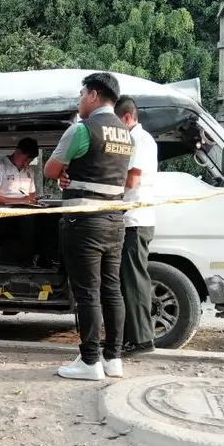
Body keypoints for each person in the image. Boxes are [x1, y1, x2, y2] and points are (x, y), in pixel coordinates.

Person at [43, 72, 133, 380]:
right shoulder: (125, 133)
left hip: (84, 223)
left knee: (87, 293)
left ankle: (90, 361)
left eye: (82, 94)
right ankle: (113, 358)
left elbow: (51, 168)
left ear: (94, 95)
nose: (80, 100)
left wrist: (65, 171)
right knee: (112, 290)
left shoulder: (82, 129)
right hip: (115, 220)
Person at [113, 95, 158, 354]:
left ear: (127, 118)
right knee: (127, 281)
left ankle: (142, 340)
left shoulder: (139, 140)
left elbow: (131, 181)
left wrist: (105, 186)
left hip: (135, 220)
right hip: (131, 219)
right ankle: (133, 337)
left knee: (134, 281)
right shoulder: (136, 139)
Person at [0, 137, 57, 268]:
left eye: (29, 161)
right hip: (2, 216)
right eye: (25, 159)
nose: (26, 163)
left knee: (50, 216)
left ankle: (46, 258)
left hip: (24, 210)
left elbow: (31, 196)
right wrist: (21, 201)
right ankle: (27, 259)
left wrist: (34, 202)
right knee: (27, 218)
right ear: (17, 151)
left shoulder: (29, 171)